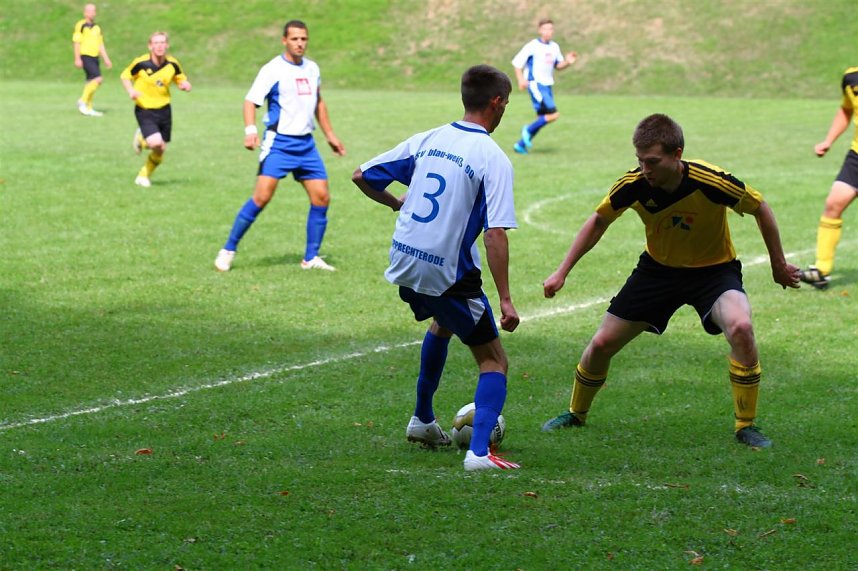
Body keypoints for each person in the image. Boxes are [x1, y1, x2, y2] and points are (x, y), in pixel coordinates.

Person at [541, 113, 801, 448]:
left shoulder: (711, 180)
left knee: (741, 327)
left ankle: (745, 425)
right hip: (658, 271)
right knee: (602, 344)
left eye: (652, 161)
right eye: (639, 161)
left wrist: (778, 265)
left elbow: (760, 207)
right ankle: (576, 413)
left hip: (714, 272)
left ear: (677, 154)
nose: (645, 169)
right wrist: (562, 270)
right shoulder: (633, 185)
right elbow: (598, 221)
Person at [352, 65, 521, 471]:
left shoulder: (429, 139)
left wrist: (396, 204)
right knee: (494, 361)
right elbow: (494, 234)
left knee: (442, 323)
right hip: (448, 272)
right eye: (507, 105)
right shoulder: (491, 157)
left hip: (405, 261)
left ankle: (423, 420)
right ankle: (479, 453)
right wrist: (506, 299)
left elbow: (361, 175)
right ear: (496, 103)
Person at [214, 20, 346, 273]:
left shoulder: (312, 68)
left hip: (307, 145)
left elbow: (318, 102)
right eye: (295, 39)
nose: (300, 43)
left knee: (322, 197)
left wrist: (330, 134)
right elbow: (250, 102)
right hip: (280, 144)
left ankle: (311, 258)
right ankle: (228, 249)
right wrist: (250, 130)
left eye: (304, 39)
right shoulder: (272, 69)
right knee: (262, 197)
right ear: (284, 40)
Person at [799, 66, 858, 289]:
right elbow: (846, 109)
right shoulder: (851, 77)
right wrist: (828, 140)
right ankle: (821, 270)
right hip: (857, 156)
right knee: (833, 204)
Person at [120, 31, 192, 188]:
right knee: (156, 143)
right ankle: (142, 138)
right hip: (144, 109)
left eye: (162, 43)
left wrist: (184, 85)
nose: (159, 46)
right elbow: (125, 76)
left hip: (164, 110)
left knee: (160, 149)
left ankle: (143, 175)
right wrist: (131, 91)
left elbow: (180, 78)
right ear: (150, 46)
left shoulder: (172, 64)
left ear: (167, 45)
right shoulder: (141, 63)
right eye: (156, 43)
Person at [511, 18, 577, 155]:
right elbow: (517, 63)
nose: (548, 31)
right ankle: (527, 130)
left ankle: (520, 145)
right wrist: (521, 79)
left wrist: (568, 62)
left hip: (547, 85)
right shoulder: (532, 45)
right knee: (553, 114)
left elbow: (558, 66)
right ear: (540, 30)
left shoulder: (554, 47)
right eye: (545, 28)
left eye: (551, 29)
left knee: (542, 118)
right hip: (536, 84)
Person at [72, 3, 112, 117]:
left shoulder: (97, 28)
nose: (92, 13)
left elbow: (100, 44)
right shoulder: (81, 25)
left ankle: (88, 108)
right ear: (85, 13)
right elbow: (76, 42)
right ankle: (82, 101)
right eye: (89, 11)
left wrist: (106, 59)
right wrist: (77, 58)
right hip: (85, 55)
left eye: (93, 11)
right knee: (98, 79)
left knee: (90, 82)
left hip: (95, 56)